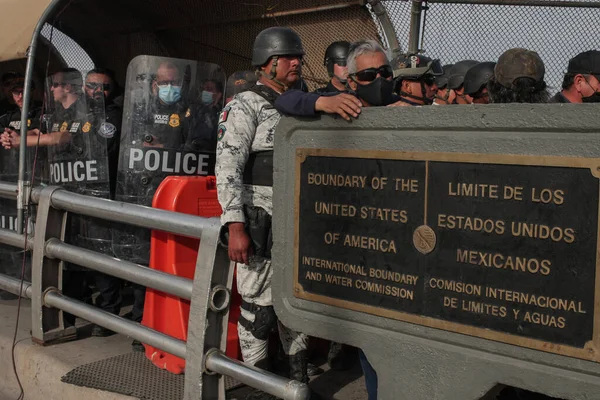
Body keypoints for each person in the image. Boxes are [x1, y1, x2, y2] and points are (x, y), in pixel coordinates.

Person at [215, 26, 317, 398]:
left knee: (298, 306)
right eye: (290, 57)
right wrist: (236, 225)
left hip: (299, 224)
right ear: (269, 63)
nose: (297, 63)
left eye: (299, 57)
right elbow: (227, 168)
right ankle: (258, 384)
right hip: (262, 223)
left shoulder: (303, 102)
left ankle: (297, 383)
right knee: (259, 309)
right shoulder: (244, 105)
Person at [81, 68, 124, 337]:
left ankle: (109, 310)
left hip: (106, 194)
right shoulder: (73, 114)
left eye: (105, 88)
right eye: (92, 86)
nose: (98, 92)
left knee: (103, 253)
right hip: (76, 191)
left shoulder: (116, 116)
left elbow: (101, 150)